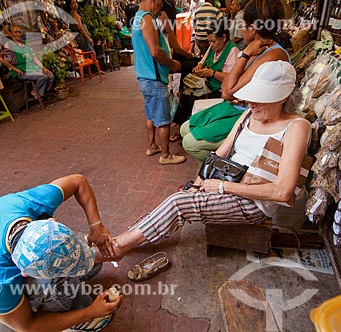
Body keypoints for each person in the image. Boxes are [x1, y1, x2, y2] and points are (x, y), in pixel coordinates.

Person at [97, 61, 311, 269]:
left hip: (254, 202)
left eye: (260, 99)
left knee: (178, 203)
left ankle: (117, 246)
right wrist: (198, 184)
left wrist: (221, 187)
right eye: (251, 98)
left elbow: (283, 192)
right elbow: (220, 154)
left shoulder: (296, 127)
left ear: (283, 98)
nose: (251, 104)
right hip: (229, 180)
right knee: (181, 196)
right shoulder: (249, 114)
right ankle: (126, 238)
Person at [0, 174, 121, 331]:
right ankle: (79, 321)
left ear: (50, 222)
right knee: (56, 285)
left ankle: (65, 291)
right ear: (23, 272)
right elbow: (27, 326)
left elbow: (78, 181)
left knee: (88, 265)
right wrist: (90, 312)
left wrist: (96, 225)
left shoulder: (24, 204)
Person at [181, 0, 293, 165]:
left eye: (241, 25)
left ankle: (220, 167)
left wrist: (245, 54)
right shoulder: (259, 50)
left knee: (190, 143)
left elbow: (227, 92)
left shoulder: (271, 54)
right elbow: (229, 89)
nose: (239, 30)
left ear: (252, 29)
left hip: (249, 115)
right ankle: (211, 168)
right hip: (236, 107)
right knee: (185, 128)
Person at [132, 0, 186, 165]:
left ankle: (152, 146)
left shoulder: (137, 18)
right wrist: (173, 64)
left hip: (144, 76)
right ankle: (166, 155)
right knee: (163, 119)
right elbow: (155, 52)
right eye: (160, 6)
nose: (159, 11)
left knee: (150, 114)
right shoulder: (147, 18)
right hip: (154, 78)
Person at [169, 22, 238, 142]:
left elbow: (232, 77)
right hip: (207, 84)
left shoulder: (233, 50)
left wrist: (212, 73)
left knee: (194, 99)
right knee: (185, 94)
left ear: (223, 38)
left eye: (214, 41)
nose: (211, 45)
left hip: (220, 89)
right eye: (209, 41)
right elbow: (202, 61)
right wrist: (199, 67)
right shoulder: (212, 48)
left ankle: (194, 130)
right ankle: (181, 128)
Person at [0, 24, 54, 101]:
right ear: (11, 34)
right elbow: (1, 59)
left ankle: (42, 93)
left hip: (32, 68)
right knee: (42, 77)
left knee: (50, 75)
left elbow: (34, 57)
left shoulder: (25, 43)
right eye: (15, 32)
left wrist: (43, 68)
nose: (18, 34)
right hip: (21, 71)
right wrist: (16, 69)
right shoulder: (9, 45)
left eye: (19, 32)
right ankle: (36, 93)